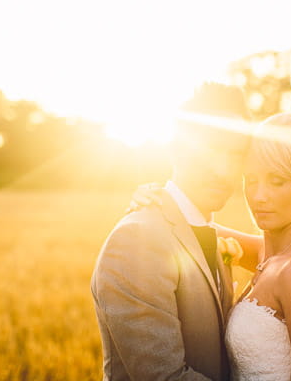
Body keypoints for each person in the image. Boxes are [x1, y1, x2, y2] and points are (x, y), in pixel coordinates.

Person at [132, 112, 291, 380]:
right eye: (251, 180)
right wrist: (157, 200)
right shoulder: (272, 255)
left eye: (277, 182)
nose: (259, 196)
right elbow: (191, 226)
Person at [90, 82, 252, 380]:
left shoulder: (206, 232)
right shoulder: (136, 241)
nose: (224, 169)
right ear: (176, 149)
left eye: (236, 154)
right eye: (211, 150)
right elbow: (166, 377)